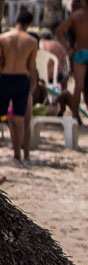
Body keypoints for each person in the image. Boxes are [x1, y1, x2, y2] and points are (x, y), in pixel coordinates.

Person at [0, 10, 38, 162]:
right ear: (29, 24)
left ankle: (15, 153)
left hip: (5, 78)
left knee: (4, 116)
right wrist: (31, 88)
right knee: (19, 118)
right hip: (22, 79)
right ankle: (18, 154)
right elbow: (31, 67)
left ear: (16, 20)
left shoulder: (2, 38)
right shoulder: (32, 41)